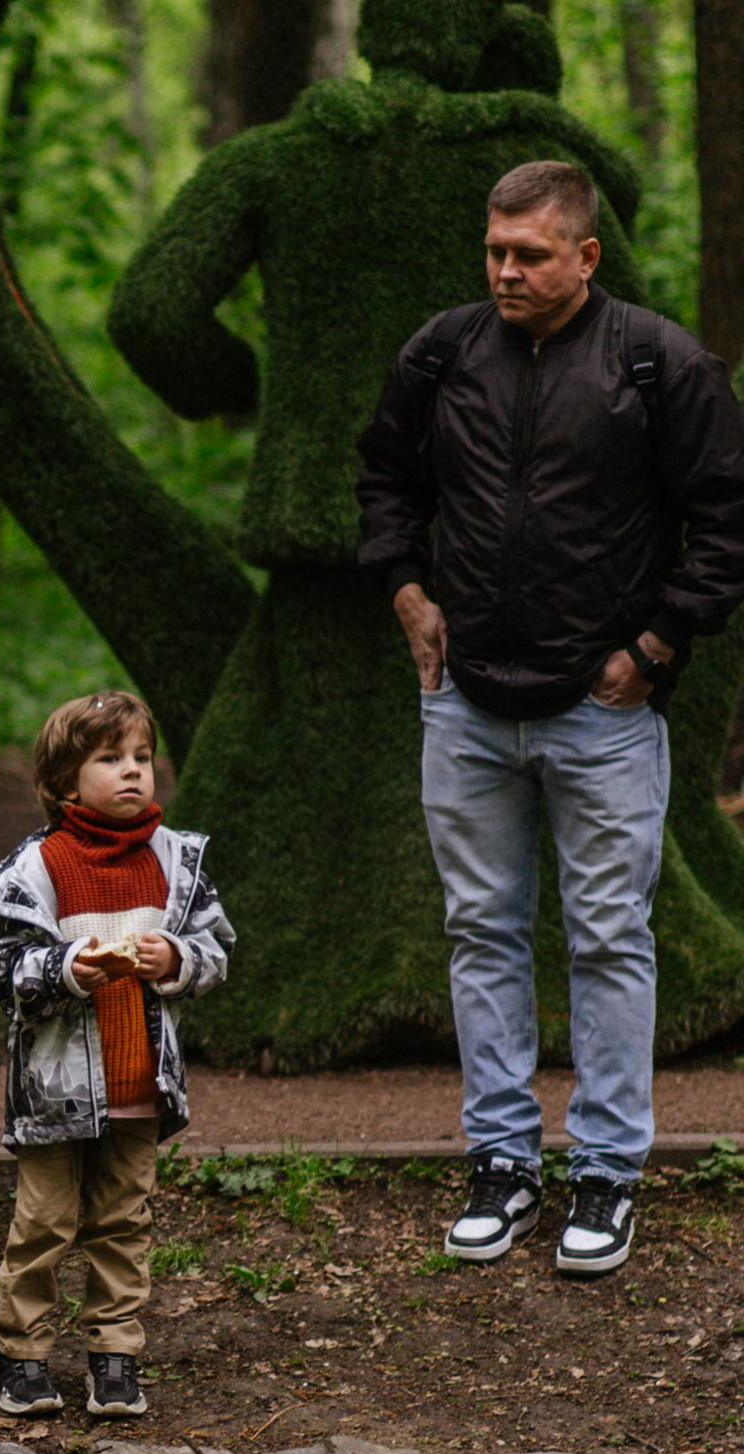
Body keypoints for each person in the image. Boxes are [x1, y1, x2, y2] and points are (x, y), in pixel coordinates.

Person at [356, 157, 744, 1276]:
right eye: (494, 251)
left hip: (600, 708)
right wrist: (405, 591)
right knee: (480, 932)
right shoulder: (442, 353)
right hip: (464, 705)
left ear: (585, 254)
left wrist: (654, 646)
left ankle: (609, 1173)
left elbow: (724, 518)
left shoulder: (655, 361)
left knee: (609, 937)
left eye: (530, 253)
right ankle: (501, 1163)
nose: (507, 271)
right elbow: (382, 481)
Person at [0, 691, 234, 1417]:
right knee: (45, 1223)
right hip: (55, 1090)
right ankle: (21, 1355)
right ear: (63, 784)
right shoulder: (37, 869)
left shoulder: (175, 863)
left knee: (124, 1221)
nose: (132, 773)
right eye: (109, 759)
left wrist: (176, 957)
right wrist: (61, 970)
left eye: (142, 758)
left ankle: (115, 1353)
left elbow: (217, 951)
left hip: (139, 1085)